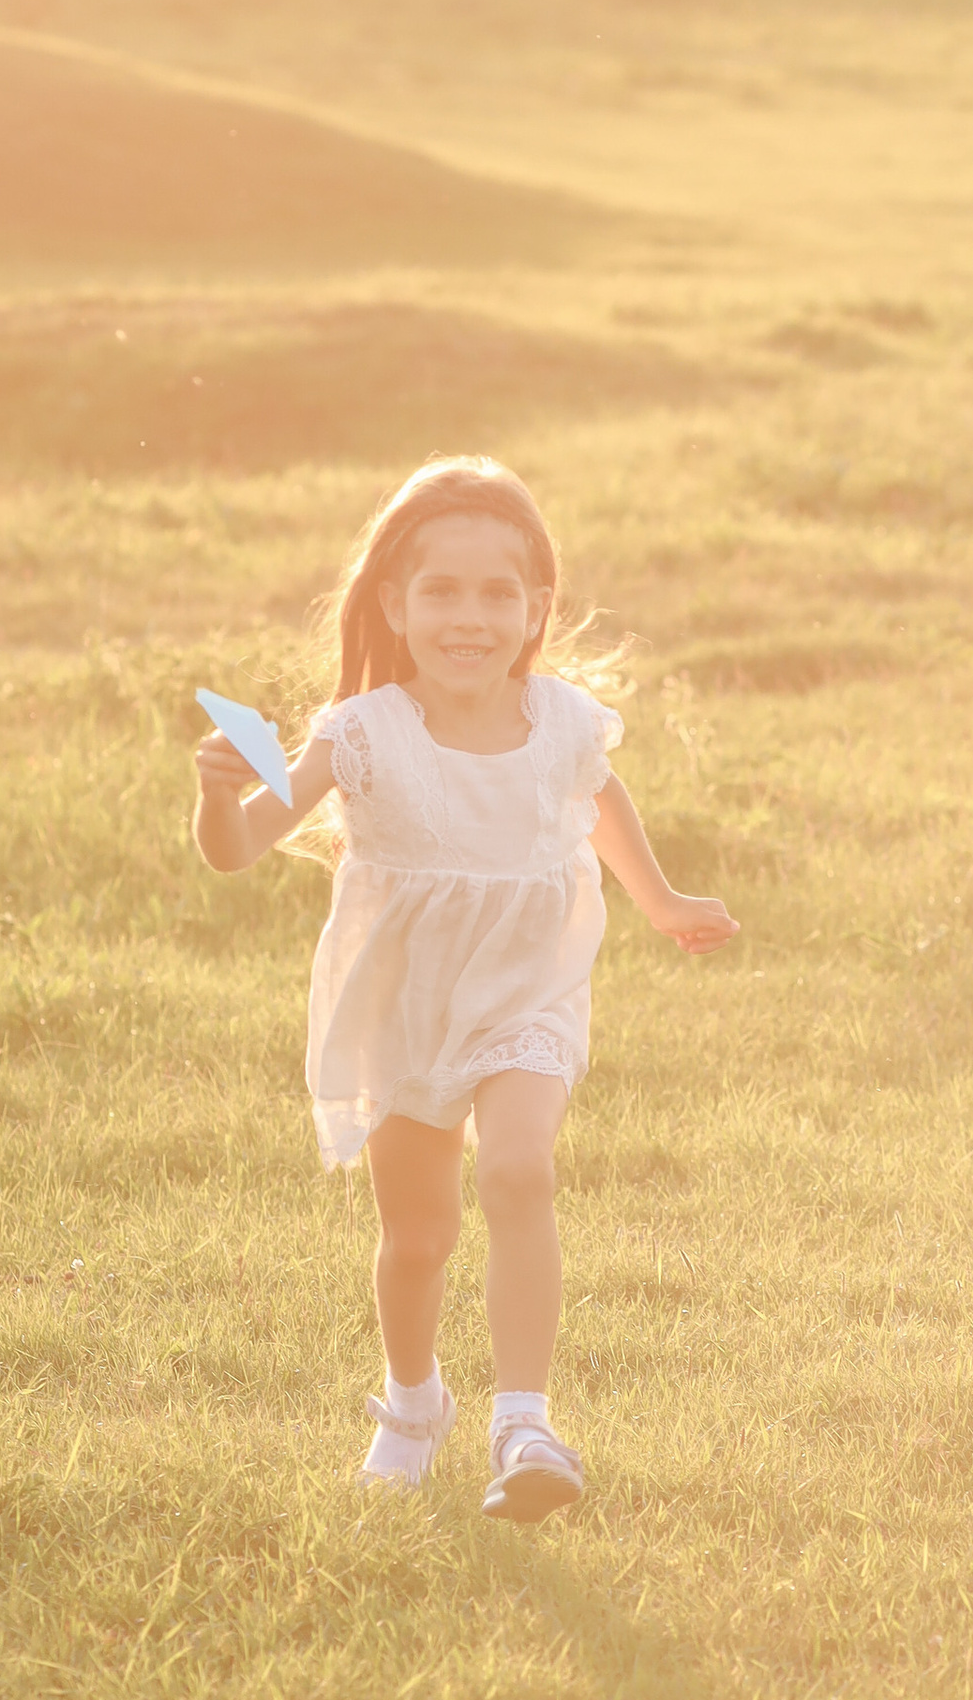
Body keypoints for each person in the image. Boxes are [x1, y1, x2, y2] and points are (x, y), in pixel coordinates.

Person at [192, 454, 735, 1520]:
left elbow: (599, 800)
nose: (469, 618)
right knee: (417, 1238)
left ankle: (523, 1423)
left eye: (498, 593)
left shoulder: (565, 720)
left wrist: (662, 903)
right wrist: (217, 796)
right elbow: (241, 848)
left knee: (519, 1170)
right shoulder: (358, 733)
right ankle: (412, 1404)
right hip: (401, 1008)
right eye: (441, 591)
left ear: (537, 607)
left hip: (530, 988)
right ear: (393, 603)